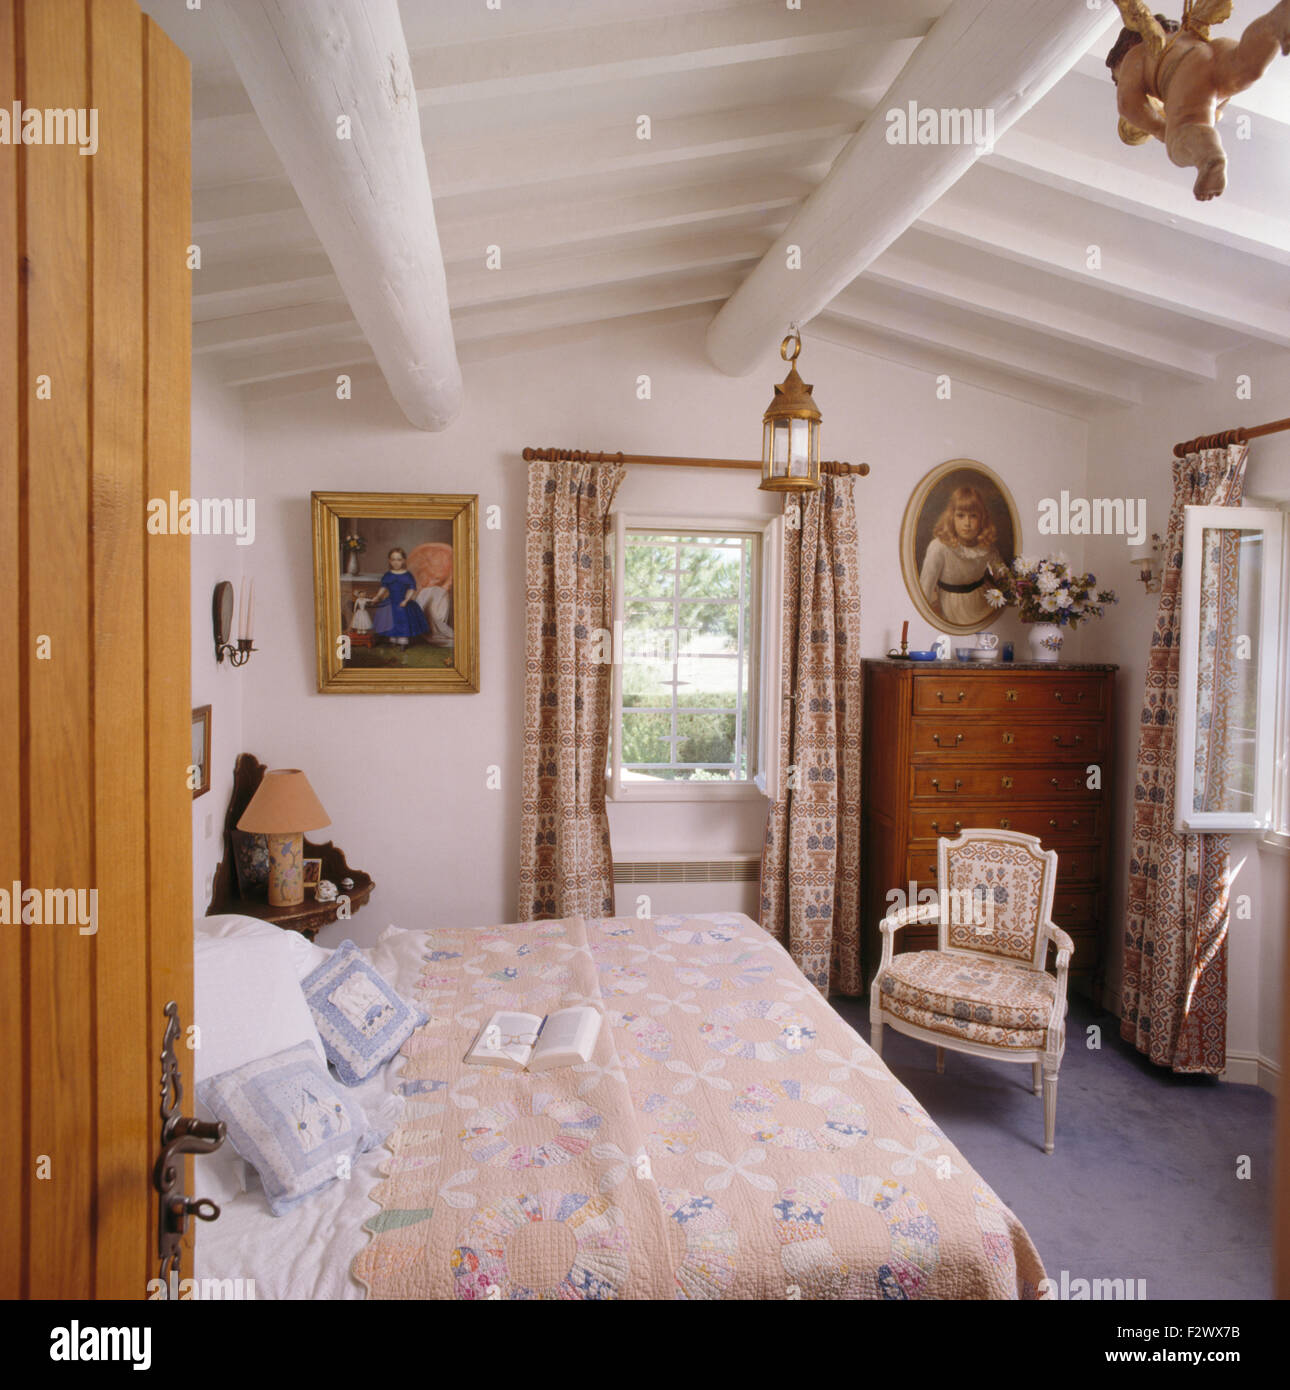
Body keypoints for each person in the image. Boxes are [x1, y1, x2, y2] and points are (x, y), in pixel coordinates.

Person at [1108, 1, 1290, 201]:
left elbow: (1127, 104)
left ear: (1123, 53)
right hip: (1214, 49)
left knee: (1180, 137)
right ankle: (1276, 22)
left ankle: (1210, 157)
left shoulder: (1134, 58)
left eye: (1117, 78)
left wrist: (1163, 131)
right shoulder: (1185, 34)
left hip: (1183, 75)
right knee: (1246, 65)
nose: (1120, 81)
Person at [919, 486, 1003, 628]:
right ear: (951, 517)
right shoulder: (940, 547)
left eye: (973, 516)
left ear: (982, 519)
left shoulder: (985, 546)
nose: (967, 523)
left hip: (982, 602)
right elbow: (925, 588)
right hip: (951, 606)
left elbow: (1002, 574)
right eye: (961, 515)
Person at [362, 547, 429, 648]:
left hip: (403, 601)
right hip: (391, 601)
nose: (396, 562)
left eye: (399, 559)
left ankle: (402, 641)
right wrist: (377, 597)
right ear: (389, 561)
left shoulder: (407, 575)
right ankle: (393, 640)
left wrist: (406, 600)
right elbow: (383, 588)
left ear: (404, 560)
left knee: (402, 617)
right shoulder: (388, 575)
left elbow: (411, 589)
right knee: (390, 619)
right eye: (393, 560)